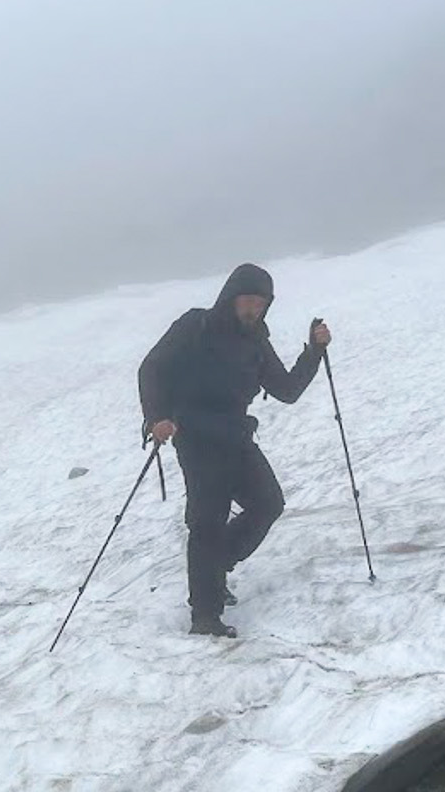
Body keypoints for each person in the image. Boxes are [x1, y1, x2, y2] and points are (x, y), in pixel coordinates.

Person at [138, 263, 332, 637]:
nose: (252, 309)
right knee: (207, 521)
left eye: (260, 304)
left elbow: (287, 390)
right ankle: (205, 617)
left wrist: (315, 351)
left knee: (268, 504)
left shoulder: (256, 340)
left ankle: (217, 566)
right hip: (195, 435)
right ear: (230, 297)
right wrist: (156, 418)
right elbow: (151, 368)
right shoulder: (195, 325)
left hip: (236, 435)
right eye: (247, 300)